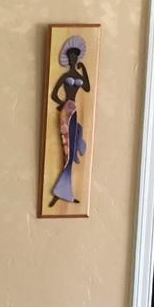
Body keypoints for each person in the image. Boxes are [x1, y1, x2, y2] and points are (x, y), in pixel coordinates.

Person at [48, 34, 91, 207]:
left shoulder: (77, 74)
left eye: (76, 57)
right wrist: (63, 104)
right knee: (67, 150)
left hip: (74, 112)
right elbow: (54, 95)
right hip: (67, 111)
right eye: (71, 56)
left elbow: (86, 87)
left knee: (71, 150)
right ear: (68, 58)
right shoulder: (65, 76)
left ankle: (64, 192)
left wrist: (84, 69)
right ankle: (61, 192)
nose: (73, 59)